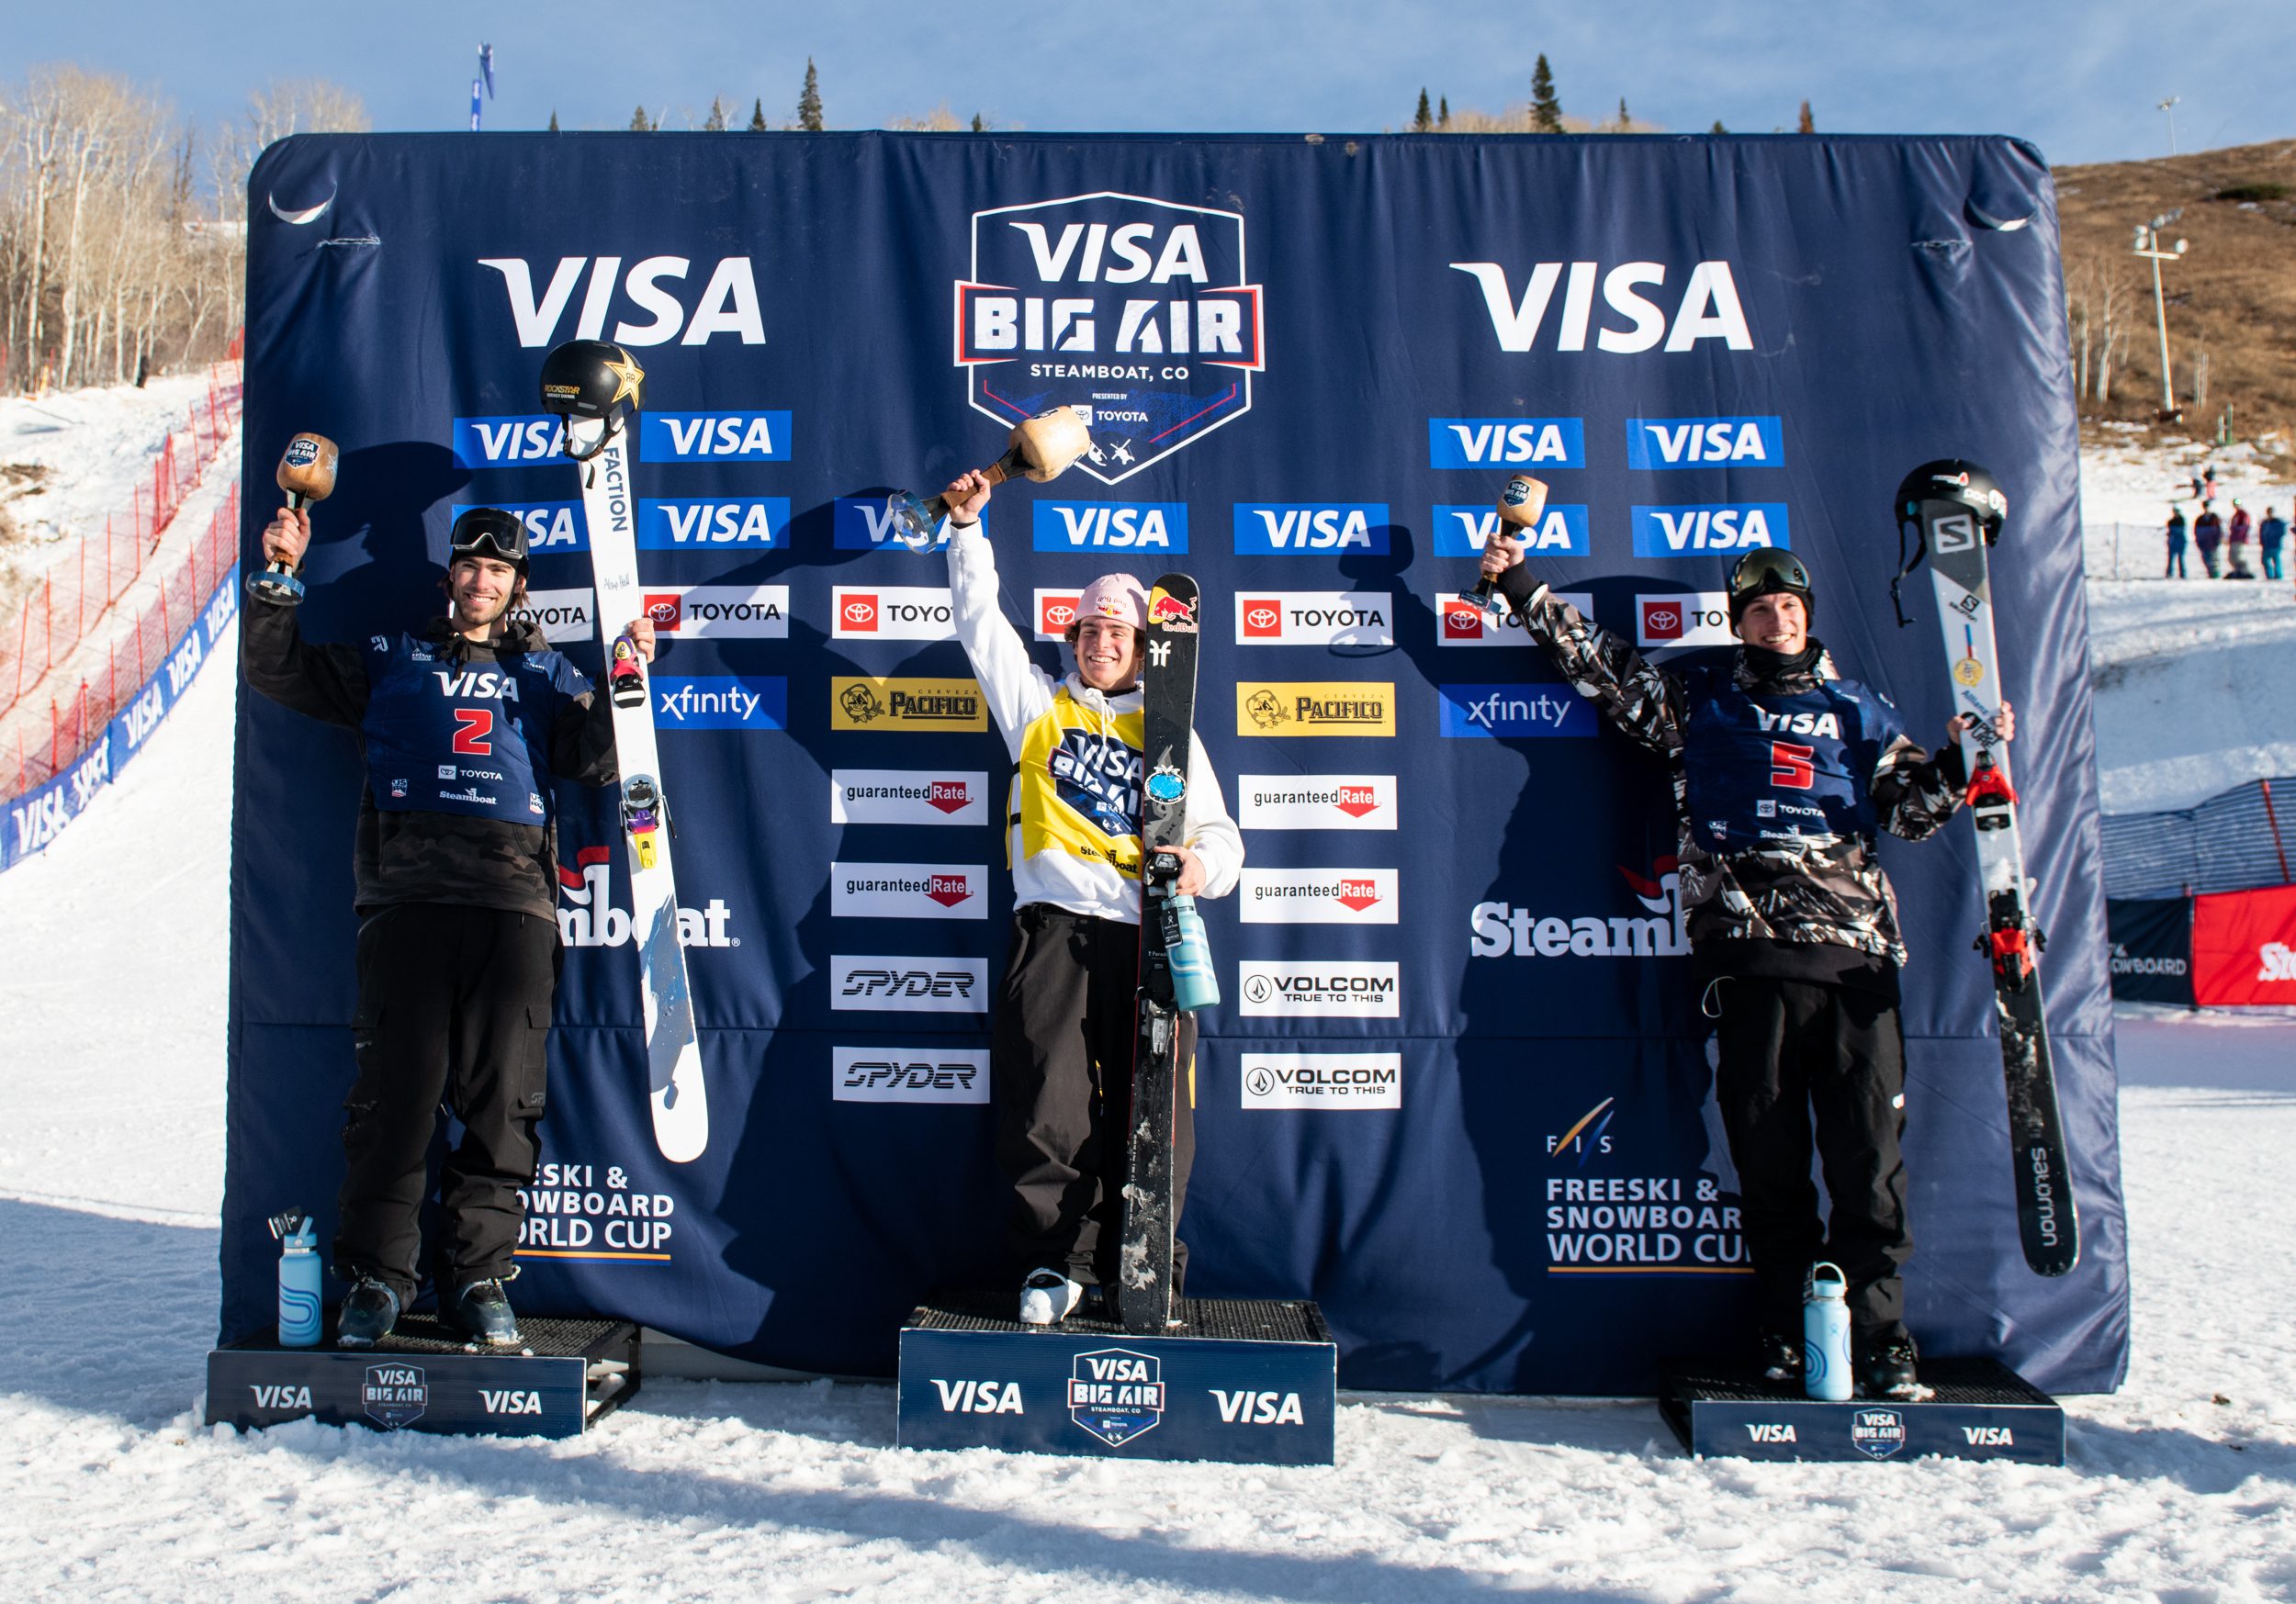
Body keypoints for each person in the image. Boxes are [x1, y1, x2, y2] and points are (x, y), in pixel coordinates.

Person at [1479, 535, 2011, 1401]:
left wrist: (1960, 762)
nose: (1776, 620)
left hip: (1855, 965)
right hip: (1749, 958)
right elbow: (1605, 670)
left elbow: (1911, 813)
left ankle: (1881, 1338)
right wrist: (1524, 586)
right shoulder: (1698, 694)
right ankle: (1788, 1328)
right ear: (1739, 619)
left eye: (1790, 608)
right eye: (1759, 609)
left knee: (1868, 1161)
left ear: (1808, 616)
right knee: (1768, 1164)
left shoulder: (1857, 708)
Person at [242, 504, 654, 1348]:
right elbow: (276, 671)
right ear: (450, 578)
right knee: (396, 1104)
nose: (481, 580)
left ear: (518, 586)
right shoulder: (393, 658)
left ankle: (477, 1277)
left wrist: (629, 677)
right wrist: (282, 579)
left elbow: (600, 757)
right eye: (469, 566)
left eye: (498, 571)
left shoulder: (547, 674)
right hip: (408, 906)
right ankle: (377, 1282)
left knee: (504, 1106)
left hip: (515, 912)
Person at [939, 468, 1244, 1325]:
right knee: (1049, 1101)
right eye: (1087, 629)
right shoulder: (1038, 707)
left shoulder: (1171, 733)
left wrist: (1196, 868)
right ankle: (1055, 1263)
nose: (1099, 642)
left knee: (1156, 1107)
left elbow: (1224, 841)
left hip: (1150, 935)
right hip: (1055, 929)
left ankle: (1147, 1261)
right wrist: (967, 532)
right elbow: (980, 629)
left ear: (1146, 647)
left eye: (1117, 631)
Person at [2226, 500, 2256, 579]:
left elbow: (2245, 527)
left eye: (2238, 504)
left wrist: (2241, 536)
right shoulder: (2235, 515)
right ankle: (2238, 570)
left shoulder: (2243, 514)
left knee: (2238, 556)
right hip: (2234, 539)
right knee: (2231, 557)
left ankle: (2244, 571)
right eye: (2235, 504)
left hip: (2239, 539)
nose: (2236, 506)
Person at [2194, 506, 2224, 578]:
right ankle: (2210, 572)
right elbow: (2197, 532)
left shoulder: (2214, 517)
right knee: (2206, 558)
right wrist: (2198, 541)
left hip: (2213, 543)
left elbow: (2219, 530)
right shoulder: (2200, 519)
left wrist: (2218, 540)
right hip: (2204, 543)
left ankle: (2216, 573)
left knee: (2214, 558)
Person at [2260, 506, 2287, 582]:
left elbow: (2282, 532)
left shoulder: (2278, 522)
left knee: (2276, 561)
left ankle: (2278, 576)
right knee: (2265, 560)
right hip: (2266, 545)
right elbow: (2261, 533)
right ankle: (2269, 575)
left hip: (2275, 545)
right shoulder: (2265, 523)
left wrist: (2276, 538)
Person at [2164, 506, 2189, 578]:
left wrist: (2173, 532)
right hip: (2173, 542)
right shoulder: (2171, 521)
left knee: (2181, 558)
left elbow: (2181, 530)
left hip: (2180, 541)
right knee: (2171, 558)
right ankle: (2169, 573)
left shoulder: (2182, 520)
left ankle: (2183, 574)